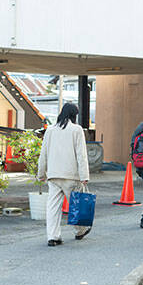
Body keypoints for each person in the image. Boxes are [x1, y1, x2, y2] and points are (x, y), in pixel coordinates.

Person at [36, 103, 91, 247]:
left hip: (53, 175)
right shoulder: (76, 130)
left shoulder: (51, 130)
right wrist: (84, 175)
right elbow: (81, 154)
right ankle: (80, 231)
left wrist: (41, 173)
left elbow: (44, 154)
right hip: (71, 175)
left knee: (53, 206)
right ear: (74, 115)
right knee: (76, 205)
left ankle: (53, 237)